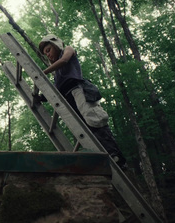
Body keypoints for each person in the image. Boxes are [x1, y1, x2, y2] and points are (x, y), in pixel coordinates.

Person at [38, 34, 127, 169]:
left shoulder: (68, 50)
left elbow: (65, 60)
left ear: (56, 44)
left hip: (79, 90)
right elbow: (57, 89)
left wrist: (41, 73)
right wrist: (41, 97)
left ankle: (116, 156)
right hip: (69, 100)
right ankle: (102, 157)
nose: (48, 55)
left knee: (95, 120)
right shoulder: (57, 75)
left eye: (49, 50)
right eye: (45, 54)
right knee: (85, 129)